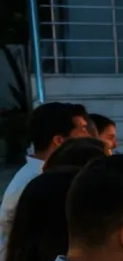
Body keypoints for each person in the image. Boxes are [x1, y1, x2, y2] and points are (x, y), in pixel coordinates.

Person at [1, 102, 91, 250]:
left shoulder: (40, 175)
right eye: (82, 129)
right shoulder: (38, 181)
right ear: (59, 141)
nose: (88, 136)